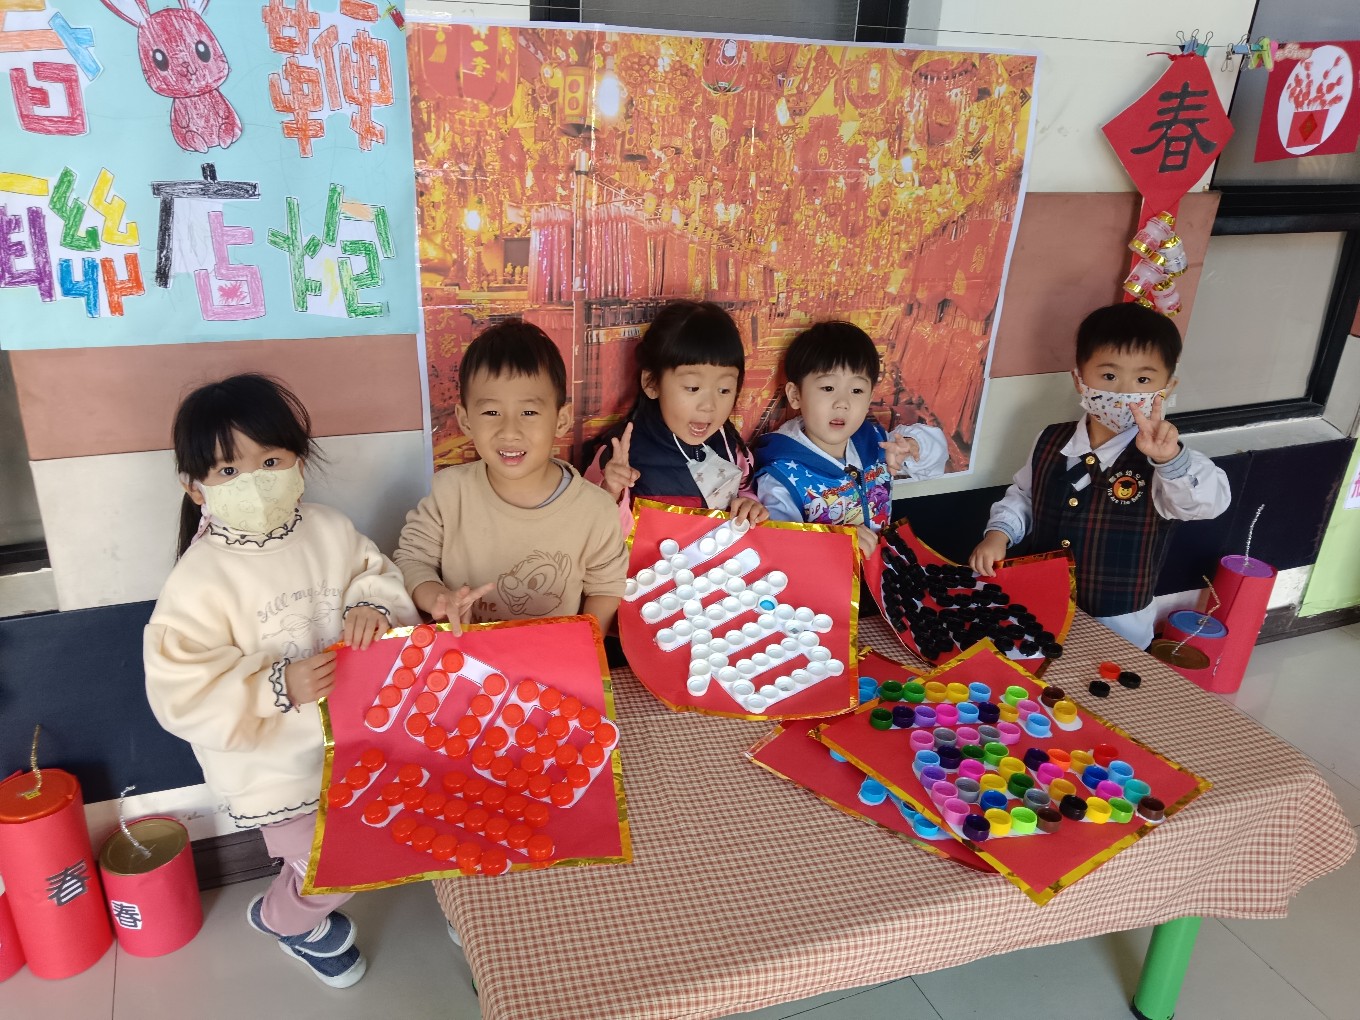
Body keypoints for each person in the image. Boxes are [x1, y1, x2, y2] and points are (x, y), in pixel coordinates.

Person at [144, 374, 418, 988]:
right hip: (275, 767)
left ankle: (289, 912)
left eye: (270, 461)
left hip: (357, 741)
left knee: (371, 841)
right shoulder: (199, 578)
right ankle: (284, 920)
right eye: (229, 470)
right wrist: (277, 686)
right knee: (333, 864)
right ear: (194, 487)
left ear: (298, 458)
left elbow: (374, 571)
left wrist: (370, 605)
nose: (255, 481)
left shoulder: (328, 528)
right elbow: (178, 689)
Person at [967, 303, 1231, 649]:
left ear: (1166, 387)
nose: (1123, 392)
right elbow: (1026, 497)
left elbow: (1207, 504)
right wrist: (999, 533)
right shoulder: (1050, 439)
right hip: (1037, 604)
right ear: (1079, 379)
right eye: (1109, 376)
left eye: (1143, 380)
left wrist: (1171, 461)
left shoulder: (1168, 461)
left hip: (1118, 626)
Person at [394, 319, 628, 633]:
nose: (509, 431)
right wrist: (437, 597)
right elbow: (412, 559)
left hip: (550, 658)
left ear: (561, 420)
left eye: (528, 412)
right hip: (465, 655)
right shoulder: (449, 492)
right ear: (465, 420)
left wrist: (585, 643)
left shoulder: (596, 510)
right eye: (491, 412)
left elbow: (606, 587)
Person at [753, 320, 948, 557]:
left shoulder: (878, 443)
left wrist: (913, 445)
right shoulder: (780, 477)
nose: (842, 403)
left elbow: (936, 459)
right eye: (828, 388)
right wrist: (837, 542)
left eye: (856, 391)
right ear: (795, 395)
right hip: (829, 578)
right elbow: (783, 549)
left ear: (869, 399)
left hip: (884, 571)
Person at [584, 300, 769, 527]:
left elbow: (745, 491)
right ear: (651, 383)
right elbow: (591, 530)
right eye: (693, 388)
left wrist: (749, 505)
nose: (709, 406)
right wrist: (611, 491)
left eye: (724, 390)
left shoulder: (731, 447)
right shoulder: (620, 454)